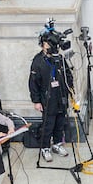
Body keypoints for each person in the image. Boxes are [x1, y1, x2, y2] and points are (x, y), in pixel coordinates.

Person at [28, 31, 75, 159]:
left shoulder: (59, 58)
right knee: (48, 125)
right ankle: (45, 147)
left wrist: (70, 89)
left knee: (60, 123)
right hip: (47, 98)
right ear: (43, 44)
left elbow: (67, 75)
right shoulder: (38, 62)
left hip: (61, 96)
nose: (49, 47)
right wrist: (36, 101)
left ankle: (58, 144)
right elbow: (33, 83)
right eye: (47, 44)